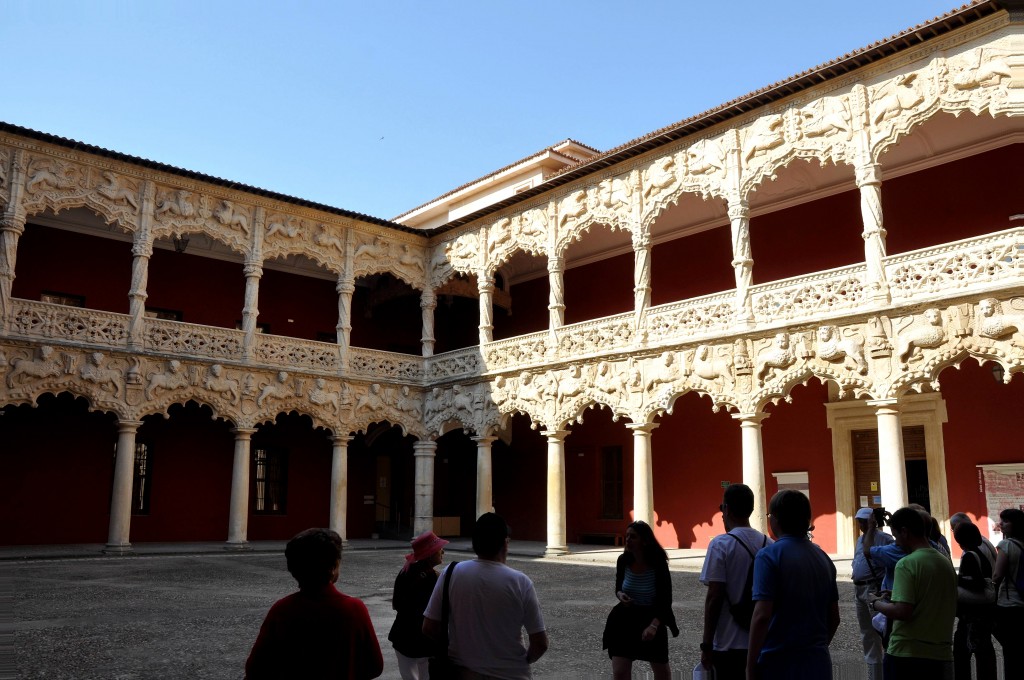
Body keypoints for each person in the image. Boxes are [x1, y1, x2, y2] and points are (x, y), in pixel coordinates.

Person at [245, 528, 383, 680]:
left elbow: (255, 668)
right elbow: (374, 667)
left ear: (293, 569)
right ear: (333, 567)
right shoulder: (353, 609)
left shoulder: (282, 610)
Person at [423, 513, 547, 679]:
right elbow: (540, 643)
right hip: (511, 674)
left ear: (474, 543)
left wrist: (459, 648)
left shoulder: (451, 573)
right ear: (506, 543)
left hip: (462, 672)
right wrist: (522, 660)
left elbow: (429, 627)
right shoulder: (520, 582)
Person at [746, 490, 839, 680]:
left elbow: (762, 615)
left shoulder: (768, 556)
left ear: (776, 520)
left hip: (778, 662)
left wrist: (750, 665)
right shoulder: (823, 558)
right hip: (818, 663)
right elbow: (834, 618)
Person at [866, 506, 957, 679]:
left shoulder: (906, 563)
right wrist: (896, 594)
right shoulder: (944, 562)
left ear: (905, 532)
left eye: (896, 536)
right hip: (940, 653)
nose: (896, 542)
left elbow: (903, 612)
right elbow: (930, 597)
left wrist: (875, 603)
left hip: (907, 653)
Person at [699, 484, 772, 680]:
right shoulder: (769, 544)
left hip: (728, 644)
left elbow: (714, 597)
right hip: (763, 641)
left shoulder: (720, 545)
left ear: (727, 509)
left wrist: (706, 644)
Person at [604, 520, 680, 680]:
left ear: (645, 541)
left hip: (652, 618)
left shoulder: (658, 564)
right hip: (624, 619)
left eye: (633, 537)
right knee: (620, 672)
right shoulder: (623, 560)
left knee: (662, 673)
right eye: (627, 536)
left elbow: (666, 599)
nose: (628, 540)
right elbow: (618, 586)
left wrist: (653, 626)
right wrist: (620, 595)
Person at [388, 530, 449, 680]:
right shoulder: (434, 578)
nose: (443, 551)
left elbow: (396, 604)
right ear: (429, 553)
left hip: (402, 637)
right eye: (439, 548)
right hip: (425, 640)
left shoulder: (406, 570)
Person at [852, 507, 895, 680]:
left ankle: (888, 670)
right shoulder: (859, 539)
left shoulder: (885, 539)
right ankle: (874, 674)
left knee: (882, 630)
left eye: (864, 521)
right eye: (859, 521)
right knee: (867, 632)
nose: (861, 524)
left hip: (874, 589)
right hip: (859, 589)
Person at [952, 521, 995, 680]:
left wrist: (956, 580)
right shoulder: (980, 553)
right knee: (984, 652)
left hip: (972, 616)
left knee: (962, 654)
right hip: (982, 614)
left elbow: (976, 583)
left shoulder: (970, 555)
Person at [991, 507, 1024, 680]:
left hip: (1009, 603)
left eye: (1006, 521)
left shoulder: (1007, 545)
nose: (1001, 524)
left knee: (1011, 651)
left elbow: (998, 575)